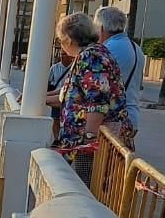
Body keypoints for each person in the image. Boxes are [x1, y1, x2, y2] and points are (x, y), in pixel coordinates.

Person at [51, 12, 130, 149]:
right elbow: (73, 93)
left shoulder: (91, 57)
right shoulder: (91, 54)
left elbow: (97, 102)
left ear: (69, 39)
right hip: (83, 142)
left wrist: (88, 141)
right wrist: (39, 98)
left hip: (93, 147)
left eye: (59, 40)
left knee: (85, 171)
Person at [95, 5, 142, 145]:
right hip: (131, 117)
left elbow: (96, 87)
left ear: (101, 28)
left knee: (101, 165)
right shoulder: (135, 48)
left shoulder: (107, 49)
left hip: (113, 121)